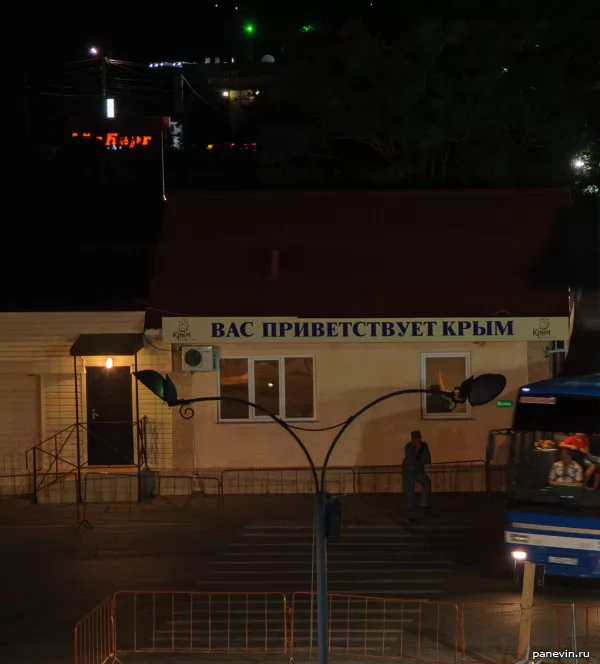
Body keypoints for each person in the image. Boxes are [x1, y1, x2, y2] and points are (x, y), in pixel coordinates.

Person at [403, 430, 431, 520]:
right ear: (412, 439)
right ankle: (410, 511)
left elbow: (427, 459)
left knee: (427, 484)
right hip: (409, 471)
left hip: (419, 471)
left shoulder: (424, 446)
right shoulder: (408, 447)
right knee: (409, 492)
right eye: (415, 439)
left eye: (418, 438)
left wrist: (419, 452)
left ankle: (423, 505)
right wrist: (418, 456)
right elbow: (410, 460)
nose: (417, 441)